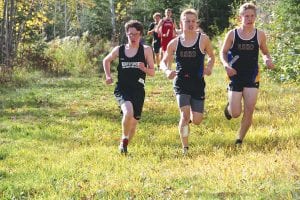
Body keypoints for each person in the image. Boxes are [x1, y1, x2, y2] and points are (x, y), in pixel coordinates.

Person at [160, 9, 215, 155]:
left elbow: (211, 56)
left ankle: (190, 117)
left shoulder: (203, 39)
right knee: (184, 116)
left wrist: (209, 67)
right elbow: (163, 61)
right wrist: (167, 71)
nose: (190, 24)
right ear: (181, 23)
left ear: (196, 23)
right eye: (187, 21)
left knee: (196, 120)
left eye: (193, 21)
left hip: (197, 83)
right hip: (181, 83)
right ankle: (185, 148)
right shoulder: (175, 42)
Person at [220, 2, 275, 145]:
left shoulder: (260, 34)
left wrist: (267, 60)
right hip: (235, 75)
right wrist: (226, 65)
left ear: (255, 17)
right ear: (241, 17)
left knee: (249, 110)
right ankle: (230, 108)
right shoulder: (232, 34)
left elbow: (265, 52)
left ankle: (239, 139)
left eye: (252, 16)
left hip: (252, 76)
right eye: (246, 16)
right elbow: (223, 52)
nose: (249, 19)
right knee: (236, 113)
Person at [103, 20, 155, 154]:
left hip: (138, 90)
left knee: (133, 122)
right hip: (122, 88)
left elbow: (152, 72)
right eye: (130, 34)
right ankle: (124, 139)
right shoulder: (119, 49)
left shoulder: (146, 50)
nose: (133, 37)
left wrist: (144, 68)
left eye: (136, 34)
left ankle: (124, 145)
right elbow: (106, 60)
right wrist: (108, 76)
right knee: (128, 112)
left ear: (141, 35)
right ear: (126, 34)